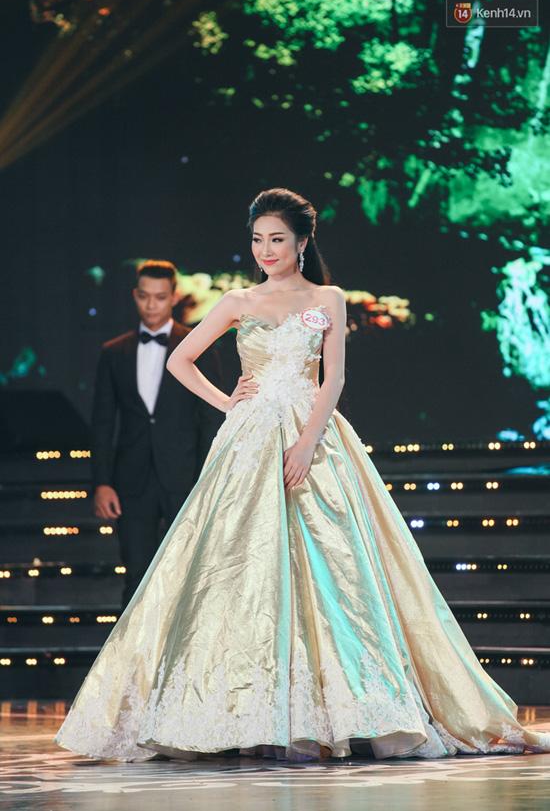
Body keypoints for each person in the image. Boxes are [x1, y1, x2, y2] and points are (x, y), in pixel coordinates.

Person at [55, 188, 550, 763]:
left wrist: (308, 441)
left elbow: (333, 377)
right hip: (249, 442)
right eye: (258, 240)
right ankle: (241, 714)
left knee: (337, 568)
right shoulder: (238, 299)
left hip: (314, 435)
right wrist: (229, 403)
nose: (266, 250)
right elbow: (179, 359)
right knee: (240, 570)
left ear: (302, 241)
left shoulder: (327, 298)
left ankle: (343, 711)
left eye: (278, 239)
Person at [91, 259, 223, 607]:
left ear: (174, 297)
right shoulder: (113, 352)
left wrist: (206, 477)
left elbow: (210, 417)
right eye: (145, 296)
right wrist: (102, 482)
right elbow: (103, 422)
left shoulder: (196, 346)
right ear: (135, 295)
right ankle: (133, 646)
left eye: (160, 297)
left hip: (185, 476)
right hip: (131, 480)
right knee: (136, 575)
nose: (152, 305)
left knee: (190, 574)